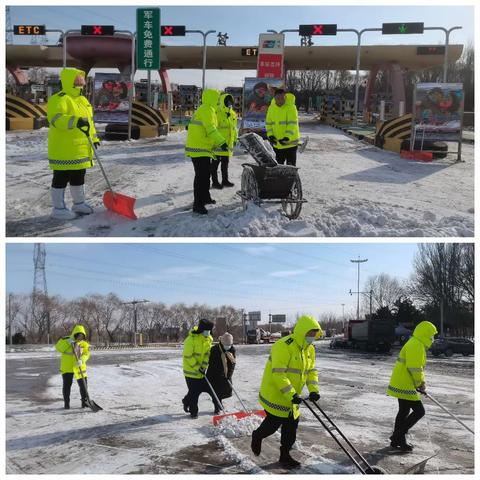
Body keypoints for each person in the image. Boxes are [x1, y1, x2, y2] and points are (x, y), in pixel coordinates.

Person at [251, 315, 322, 469]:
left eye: (314, 334)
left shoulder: (309, 349)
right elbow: (279, 374)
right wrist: (291, 395)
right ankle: (257, 435)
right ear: (302, 332)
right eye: (309, 333)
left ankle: (285, 456)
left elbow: (311, 371)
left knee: (291, 429)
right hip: (276, 394)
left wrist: (314, 390)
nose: (312, 337)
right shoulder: (283, 345)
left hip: (293, 397)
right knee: (272, 426)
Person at [47, 68, 100, 220]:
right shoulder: (59, 99)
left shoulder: (83, 100)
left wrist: (94, 138)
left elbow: (89, 122)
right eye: (77, 80)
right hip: (64, 148)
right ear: (69, 80)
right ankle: (58, 209)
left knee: (79, 176)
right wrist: (74, 121)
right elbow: (56, 119)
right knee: (61, 177)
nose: (81, 83)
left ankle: (79, 203)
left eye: (82, 80)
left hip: (82, 148)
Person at [386, 320, 438, 451]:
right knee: (419, 411)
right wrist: (420, 384)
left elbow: (415, 367)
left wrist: (419, 383)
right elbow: (415, 368)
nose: (433, 338)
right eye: (432, 335)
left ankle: (398, 441)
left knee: (403, 411)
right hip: (406, 384)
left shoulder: (415, 342)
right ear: (425, 334)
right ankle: (397, 436)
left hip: (403, 382)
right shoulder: (416, 345)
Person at [185, 89, 228, 215]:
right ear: (212, 98)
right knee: (201, 177)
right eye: (217, 98)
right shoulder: (206, 110)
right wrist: (222, 142)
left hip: (204, 148)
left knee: (206, 175)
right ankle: (197, 204)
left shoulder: (210, 110)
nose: (219, 100)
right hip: (199, 148)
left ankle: (205, 197)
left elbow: (210, 131)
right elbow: (211, 130)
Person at [182, 318, 219, 418]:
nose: (208, 332)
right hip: (190, 371)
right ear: (202, 329)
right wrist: (198, 367)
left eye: (209, 330)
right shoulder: (191, 339)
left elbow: (207, 354)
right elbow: (188, 356)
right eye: (206, 330)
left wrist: (203, 366)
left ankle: (186, 401)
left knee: (199, 390)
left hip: (201, 370)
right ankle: (193, 412)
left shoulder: (209, 339)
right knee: (194, 393)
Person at [54, 324, 91, 409]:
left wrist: (82, 360)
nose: (80, 338)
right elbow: (58, 348)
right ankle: (66, 404)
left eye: (82, 336)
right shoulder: (65, 340)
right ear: (75, 334)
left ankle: (84, 403)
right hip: (67, 367)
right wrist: (68, 342)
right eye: (79, 335)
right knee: (67, 386)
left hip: (80, 367)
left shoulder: (84, 344)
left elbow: (86, 354)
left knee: (84, 386)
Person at [265, 89, 300, 166]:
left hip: (290, 144)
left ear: (285, 98)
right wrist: (270, 135)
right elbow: (268, 123)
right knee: (277, 168)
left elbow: (292, 124)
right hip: (277, 144)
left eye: (282, 98)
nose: (280, 101)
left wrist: (287, 137)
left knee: (290, 168)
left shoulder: (291, 107)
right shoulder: (271, 108)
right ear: (274, 98)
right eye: (278, 98)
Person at [211, 94, 238, 189]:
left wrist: (235, 139)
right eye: (227, 101)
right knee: (215, 163)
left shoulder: (233, 114)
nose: (230, 103)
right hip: (218, 143)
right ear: (223, 101)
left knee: (225, 163)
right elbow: (213, 129)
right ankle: (214, 182)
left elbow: (234, 129)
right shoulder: (217, 112)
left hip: (227, 144)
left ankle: (225, 180)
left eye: (231, 101)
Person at [206, 332, 236, 414]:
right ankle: (217, 407)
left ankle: (219, 403)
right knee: (216, 391)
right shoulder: (214, 350)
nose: (228, 346)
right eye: (226, 344)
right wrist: (220, 374)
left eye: (229, 344)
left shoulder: (232, 349)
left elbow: (232, 364)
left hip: (226, 373)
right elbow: (212, 364)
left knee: (225, 390)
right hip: (214, 374)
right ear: (222, 343)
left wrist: (228, 375)